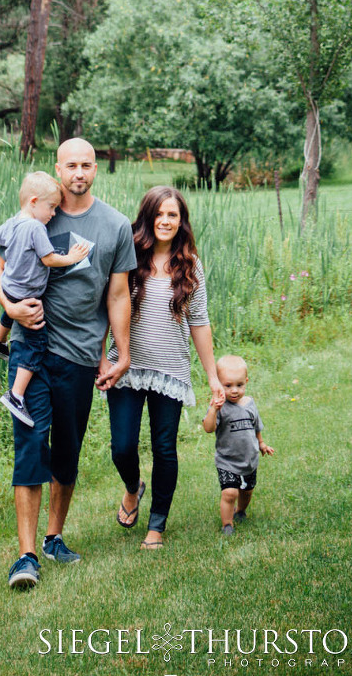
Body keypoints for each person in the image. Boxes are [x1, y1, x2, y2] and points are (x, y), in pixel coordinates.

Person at [0, 138, 135, 588]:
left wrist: (121, 353)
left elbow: (117, 294)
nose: (79, 172)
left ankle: (54, 538)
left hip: (79, 355)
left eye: (87, 164)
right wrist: (9, 309)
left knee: (67, 451)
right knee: (30, 445)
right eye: (71, 164)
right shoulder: (34, 215)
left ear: (95, 169)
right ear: (58, 168)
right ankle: (26, 556)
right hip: (33, 351)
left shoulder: (115, 225)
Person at [106, 185, 226, 550]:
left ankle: (156, 525)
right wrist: (101, 356)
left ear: (181, 221)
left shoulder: (191, 266)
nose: (165, 220)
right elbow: (106, 306)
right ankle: (132, 487)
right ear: (147, 217)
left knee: (164, 448)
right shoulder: (128, 256)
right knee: (122, 447)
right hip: (125, 366)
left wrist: (213, 377)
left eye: (172, 214)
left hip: (169, 369)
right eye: (159, 213)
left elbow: (200, 322)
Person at [0, 172, 90, 428]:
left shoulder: (13, 222)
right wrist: (72, 257)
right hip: (28, 295)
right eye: (51, 207)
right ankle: (16, 395)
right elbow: (49, 259)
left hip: (10, 288)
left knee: (8, 313)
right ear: (34, 201)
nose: (53, 214)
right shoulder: (35, 227)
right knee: (37, 344)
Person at [203, 354, 274, 534]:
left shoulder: (250, 404)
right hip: (227, 461)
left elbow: (256, 427)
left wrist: (262, 444)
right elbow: (208, 428)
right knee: (230, 493)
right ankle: (227, 524)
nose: (234, 390)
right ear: (219, 383)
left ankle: (240, 511)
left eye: (239, 385)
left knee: (247, 491)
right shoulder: (219, 406)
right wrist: (213, 409)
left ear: (246, 381)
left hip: (249, 459)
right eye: (228, 386)